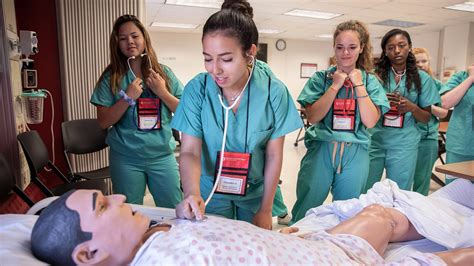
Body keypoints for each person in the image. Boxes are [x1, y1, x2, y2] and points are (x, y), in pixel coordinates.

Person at [30, 181, 474, 265]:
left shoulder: (153, 239)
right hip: (332, 262)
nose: (122, 196)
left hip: (310, 246)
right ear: (89, 254)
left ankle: (457, 214)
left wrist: (180, 220)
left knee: (378, 214)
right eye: (104, 205)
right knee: (451, 259)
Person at [170, 0, 302, 230]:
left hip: (254, 195)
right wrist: (192, 194)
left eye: (226, 59)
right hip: (209, 192)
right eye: (208, 59)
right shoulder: (196, 90)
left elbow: (273, 155)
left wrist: (265, 209)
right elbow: (190, 150)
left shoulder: (273, 92)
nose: (215, 70)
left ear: (250, 53)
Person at [291, 20, 390, 223]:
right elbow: (312, 116)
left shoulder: (370, 82)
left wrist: (359, 84)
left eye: (352, 47)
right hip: (322, 150)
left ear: (361, 48)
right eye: (340, 47)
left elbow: (370, 121)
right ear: (334, 48)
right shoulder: (321, 79)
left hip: (356, 154)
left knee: (348, 214)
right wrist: (335, 86)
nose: (345, 53)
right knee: (306, 209)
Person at [90, 15, 183, 207]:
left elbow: (185, 114)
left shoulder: (164, 74)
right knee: (129, 211)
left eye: (134, 36)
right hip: (126, 158)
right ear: (117, 44)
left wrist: (162, 92)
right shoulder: (112, 78)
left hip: (162, 156)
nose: (130, 41)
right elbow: (103, 122)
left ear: (144, 39)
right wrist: (127, 98)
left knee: (174, 210)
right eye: (123, 38)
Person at [364, 29, 440, 192]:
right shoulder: (375, 76)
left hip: (404, 144)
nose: (396, 50)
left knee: (399, 192)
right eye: (390, 47)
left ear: (409, 47)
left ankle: (395, 218)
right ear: (385, 51)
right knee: (365, 189)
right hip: (375, 140)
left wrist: (412, 107)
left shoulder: (423, 79)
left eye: (401, 45)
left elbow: (426, 118)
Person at [412, 47, 448, 195]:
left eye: (424, 61)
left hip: (427, 138)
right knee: (402, 178)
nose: (421, 64)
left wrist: (426, 104)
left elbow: (443, 112)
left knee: (422, 179)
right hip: (405, 137)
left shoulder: (436, 84)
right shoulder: (405, 83)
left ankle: (419, 212)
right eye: (417, 61)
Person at [439, 64, 474, 183]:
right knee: (455, 192)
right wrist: (471, 78)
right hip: (461, 146)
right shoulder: (461, 77)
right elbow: (445, 103)